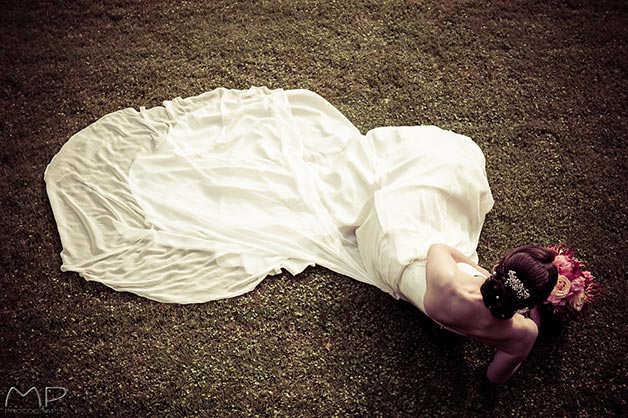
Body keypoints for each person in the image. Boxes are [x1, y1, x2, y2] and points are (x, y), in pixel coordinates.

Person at [45, 86, 550, 384]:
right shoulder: (519, 333)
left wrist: (470, 262)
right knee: (448, 171)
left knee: (437, 170)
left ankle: (371, 199)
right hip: (406, 286)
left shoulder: (451, 285)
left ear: (502, 271)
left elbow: (439, 248)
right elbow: (493, 374)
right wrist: (527, 315)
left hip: (394, 254)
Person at [400, 243, 557, 384]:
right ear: (531, 304)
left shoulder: (447, 279)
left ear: (500, 266)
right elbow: (495, 376)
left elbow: (437, 247)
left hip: (423, 291)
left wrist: (480, 271)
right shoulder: (524, 333)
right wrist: (536, 322)